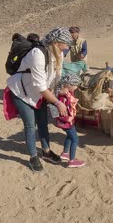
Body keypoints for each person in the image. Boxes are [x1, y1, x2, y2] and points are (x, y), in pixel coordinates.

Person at [6, 27, 72, 172]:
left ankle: (46, 152)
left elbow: (56, 78)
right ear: (56, 42)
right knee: (30, 125)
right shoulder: (38, 54)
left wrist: (63, 89)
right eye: (65, 43)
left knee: (43, 122)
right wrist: (57, 102)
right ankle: (33, 158)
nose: (67, 47)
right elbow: (39, 85)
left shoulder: (59, 55)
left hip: (40, 94)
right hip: (21, 93)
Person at [55, 74, 86, 168]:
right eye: (75, 85)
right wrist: (66, 119)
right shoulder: (63, 97)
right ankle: (72, 160)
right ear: (69, 85)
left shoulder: (69, 93)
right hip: (67, 122)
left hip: (69, 122)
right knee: (75, 139)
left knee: (70, 136)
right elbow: (58, 111)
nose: (76, 88)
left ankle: (65, 153)